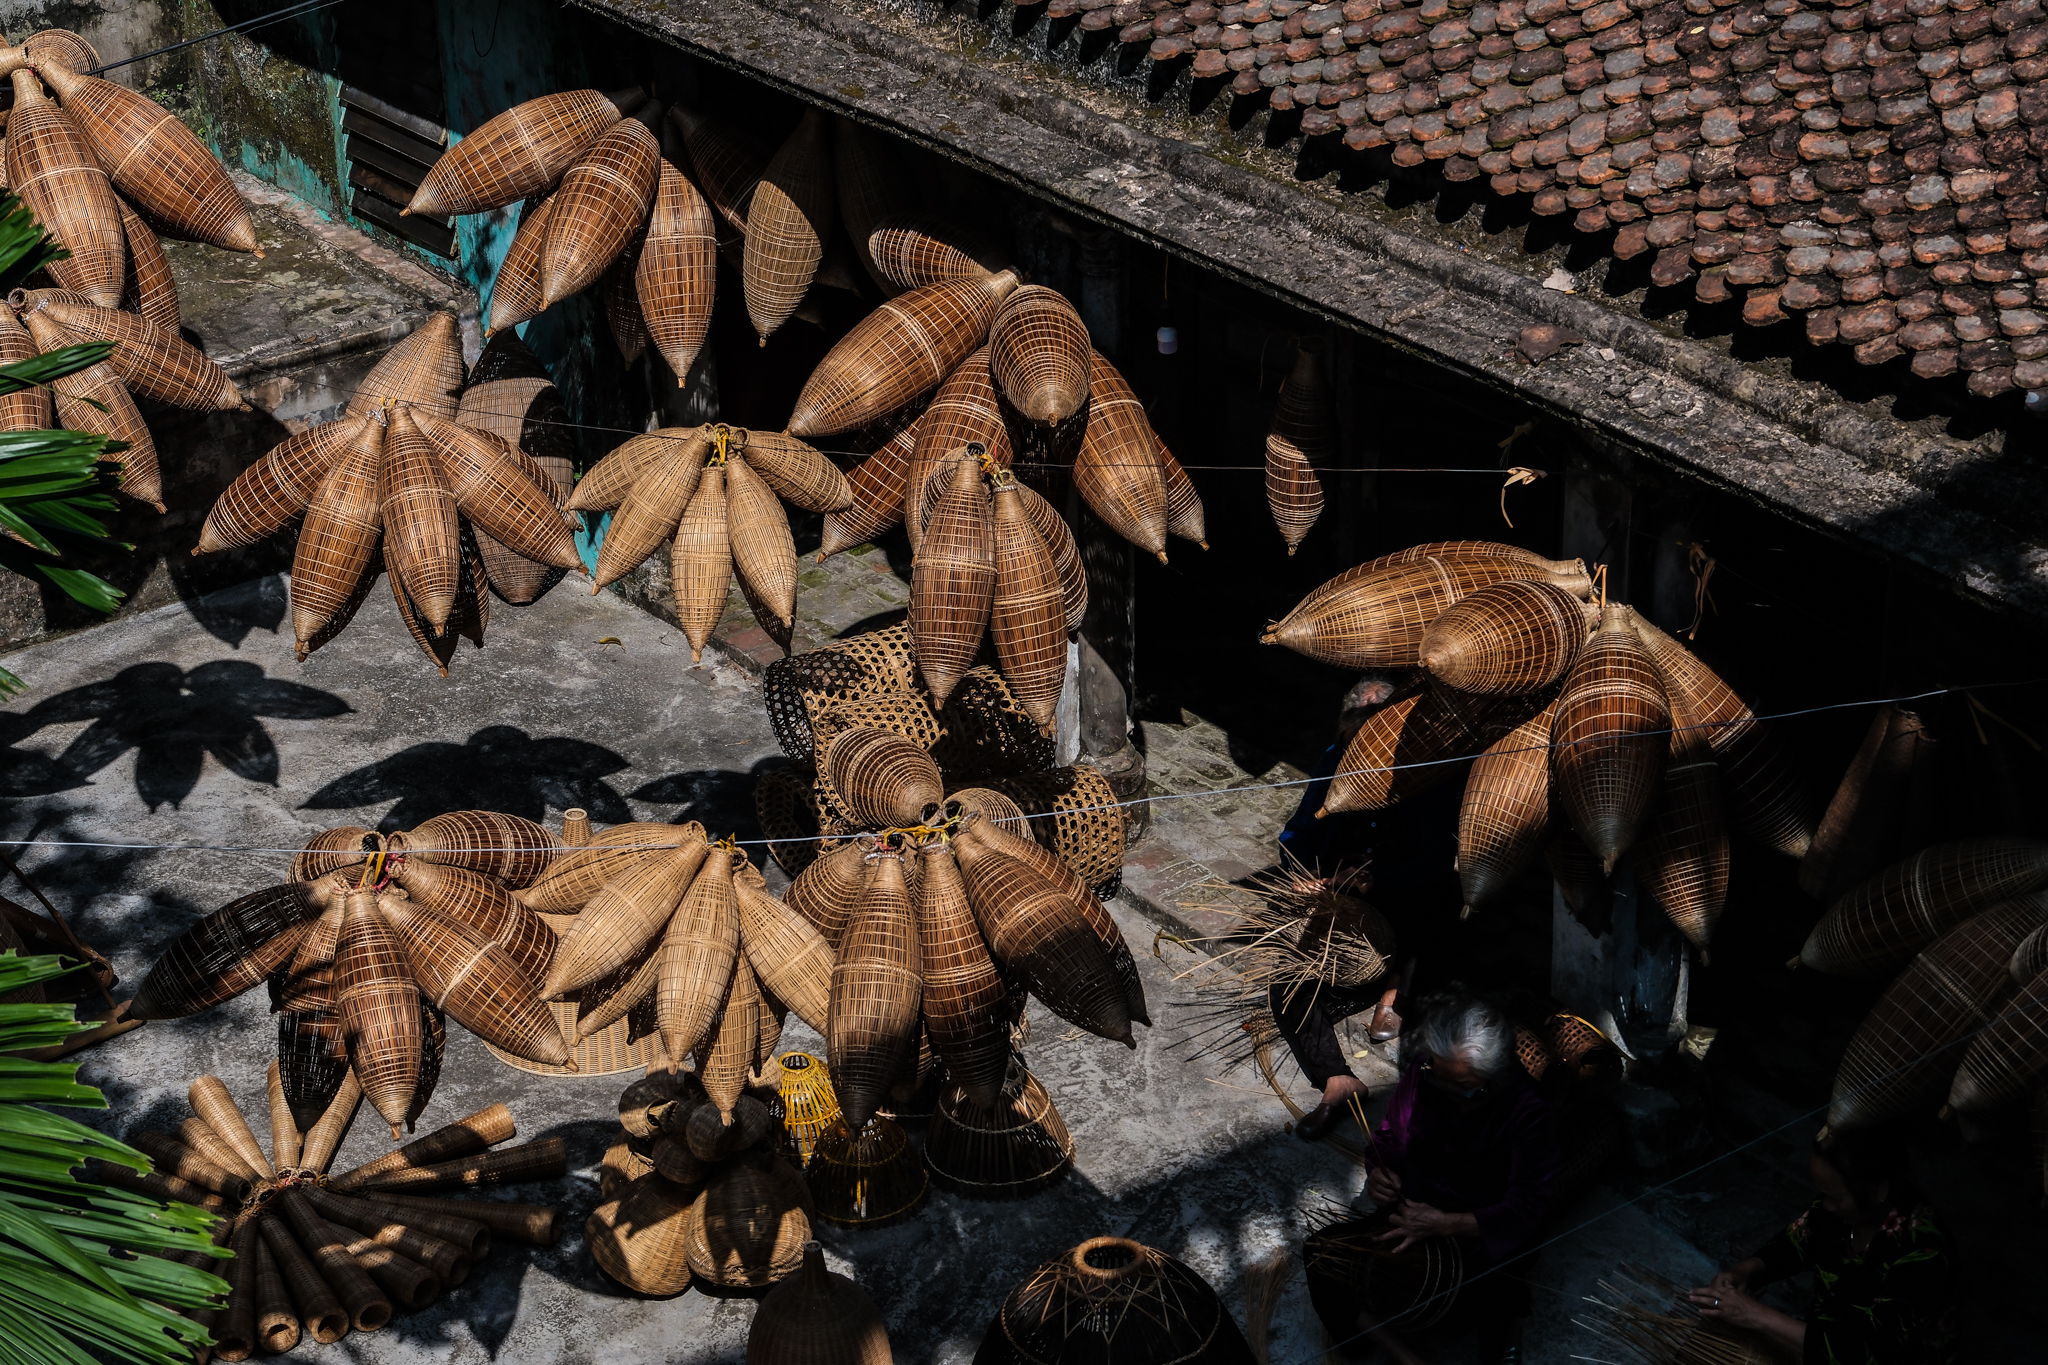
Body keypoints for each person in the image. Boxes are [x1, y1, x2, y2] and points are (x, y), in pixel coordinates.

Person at [1303, 992, 1556, 1365]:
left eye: (1465, 1087)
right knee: (1321, 1256)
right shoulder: (1425, 1073)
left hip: (1474, 1232)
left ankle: (1503, 1335)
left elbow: (1528, 1207)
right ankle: (1405, 1358)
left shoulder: (1527, 1111)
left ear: (1494, 1077)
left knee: (1493, 1297)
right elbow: (1387, 1138)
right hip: (1412, 1212)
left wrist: (1447, 1224)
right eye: (1442, 1081)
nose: (1450, 1095)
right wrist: (1380, 1173)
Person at [1275, 673, 1466, 1141]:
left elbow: (1434, 861)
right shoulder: (1336, 756)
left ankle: (1396, 986)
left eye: (1370, 743)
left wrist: (1375, 877)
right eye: (1352, 741)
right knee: (1285, 983)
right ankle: (1338, 1080)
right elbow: (1300, 829)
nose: (1360, 754)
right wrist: (1303, 871)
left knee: (1430, 907)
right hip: (1345, 891)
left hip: (1404, 889)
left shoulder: (1425, 771)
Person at [1687, 1129, 1958, 1363]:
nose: (1825, 1205)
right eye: (1823, 1194)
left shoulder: (1924, 1253)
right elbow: (1796, 1243)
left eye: (1836, 1197)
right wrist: (1745, 1271)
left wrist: (1754, 1314)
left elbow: (1863, 1352)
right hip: (1820, 1341)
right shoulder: (1839, 1212)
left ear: (1879, 1188)